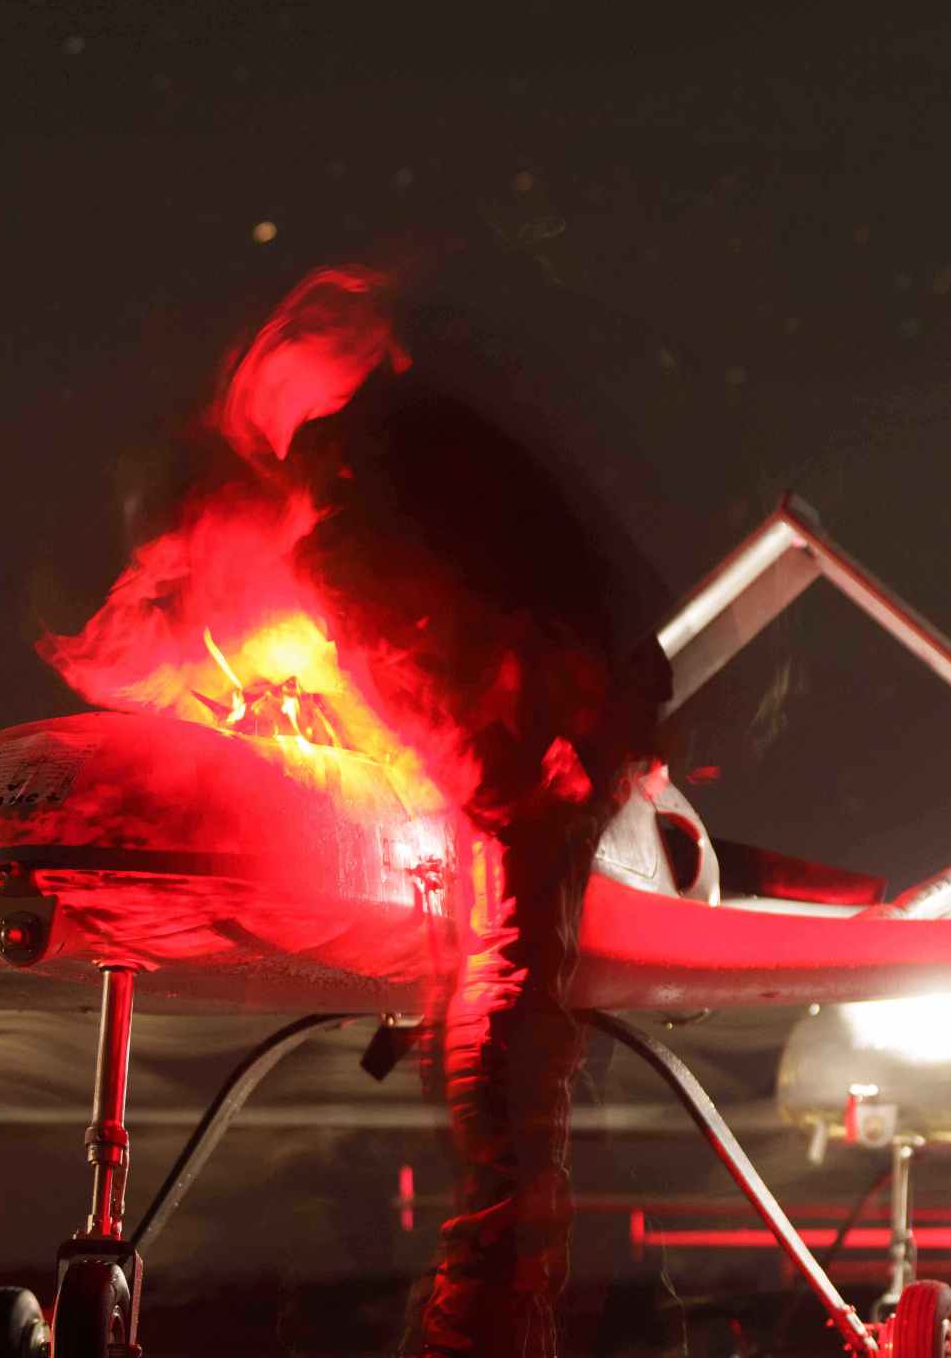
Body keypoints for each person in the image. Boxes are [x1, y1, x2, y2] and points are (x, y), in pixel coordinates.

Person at [221, 254, 672, 1357]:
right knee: (499, 1022)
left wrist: (484, 762)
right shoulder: (461, 455)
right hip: (552, 748)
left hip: (527, 769)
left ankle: (485, 1320)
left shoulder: (362, 484)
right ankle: (492, 1310)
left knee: (501, 1016)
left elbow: (428, 650)